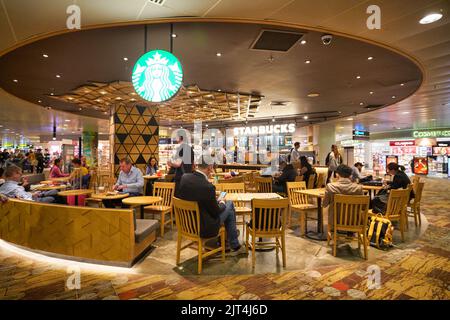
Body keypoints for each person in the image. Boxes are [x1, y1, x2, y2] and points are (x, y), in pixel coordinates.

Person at [177, 161, 247, 256]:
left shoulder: (185, 177)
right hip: (205, 228)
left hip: (187, 225)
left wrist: (213, 199)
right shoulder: (208, 187)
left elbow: (196, 197)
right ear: (210, 168)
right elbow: (216, 212)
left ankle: (228, 239)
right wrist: (221, 202)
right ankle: (234, 243)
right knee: (229, 204)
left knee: (228, 207)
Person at [323, 164, 364, 229]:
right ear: (350, 176)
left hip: (335, 220)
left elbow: (324, 204)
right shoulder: (358, 188)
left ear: (337, 174)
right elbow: (363, 207)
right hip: (354, 221)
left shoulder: (330, 187)